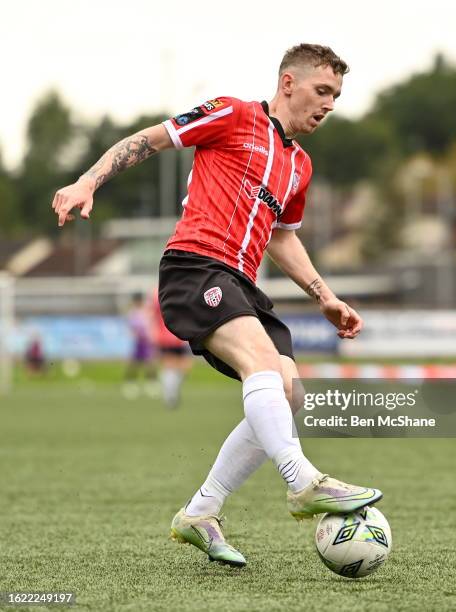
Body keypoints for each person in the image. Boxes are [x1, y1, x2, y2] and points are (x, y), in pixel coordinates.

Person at [52, 43, 383, 567]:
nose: (329, 104)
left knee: (290, 392)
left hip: (244, 283)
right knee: (261, 366)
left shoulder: (299, 165)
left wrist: (325, 296)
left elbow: (283, 237)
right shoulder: (233, 114)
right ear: (288, 83)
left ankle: (201, 512)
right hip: (195, 266)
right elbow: (150, 140)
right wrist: (88, 180)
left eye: (337, 96)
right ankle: (303, 483)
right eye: (323, 91)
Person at [150, 288, 192, 409]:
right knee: (174, 364)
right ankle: (170, 393)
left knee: (181, 366)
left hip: (170, 334)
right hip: (175, 334)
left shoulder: (157, 292)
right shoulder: (178, 290)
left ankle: (170, 391)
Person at [122, 292, 157, 400]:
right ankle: (130, 384)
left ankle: (151, 385)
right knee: (134, 364)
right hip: (138, 342)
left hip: (147, 341)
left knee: (150, 363)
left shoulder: (147, 311)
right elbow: (132, 328)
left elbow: (151, 325)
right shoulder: (133, 313)